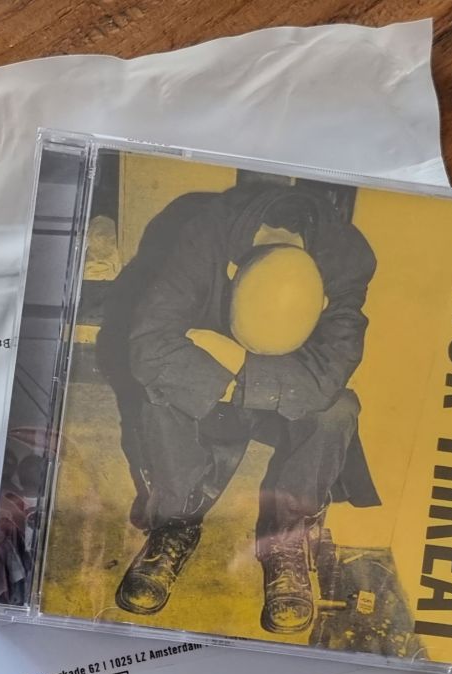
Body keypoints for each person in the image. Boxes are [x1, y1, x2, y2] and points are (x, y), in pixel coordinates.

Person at [95, 181, 380, 635]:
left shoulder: (344, 259)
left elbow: (329, 374)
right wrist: (233, 378)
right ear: (234, 264)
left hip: (259, 382)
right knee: (156, 390)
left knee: (337, 410)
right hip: (215, 385)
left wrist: (238, 365)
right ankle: (176, 522)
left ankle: (286, 540)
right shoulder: (202, 236)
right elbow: (148, 348)